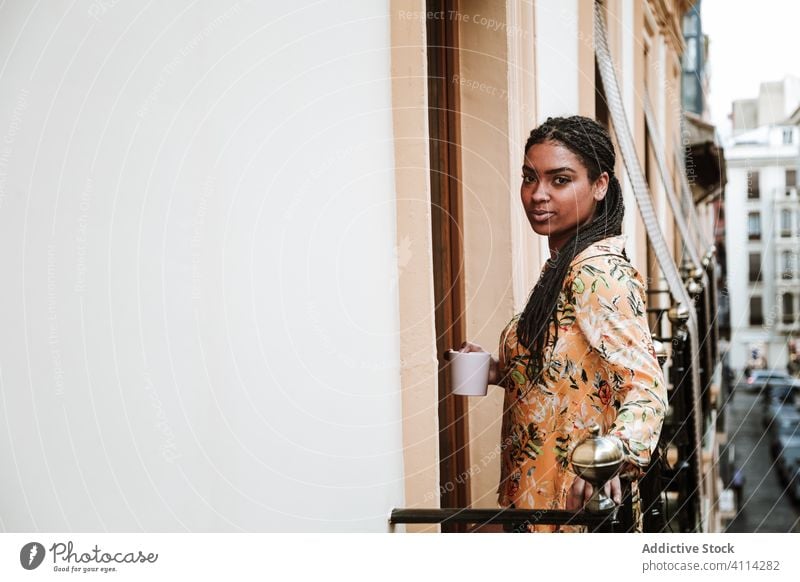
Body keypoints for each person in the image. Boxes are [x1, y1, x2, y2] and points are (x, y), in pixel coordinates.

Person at [458, 116, 667, 532]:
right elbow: (572, 370)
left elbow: (646, 387)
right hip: (533, 504)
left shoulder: (597, 273)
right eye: (529, 178)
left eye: (560, 180)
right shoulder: (564, 265)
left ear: (600, 185)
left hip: (572, 512)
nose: (538, 195)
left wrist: (610, 462)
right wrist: (503, 371)